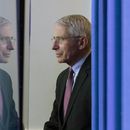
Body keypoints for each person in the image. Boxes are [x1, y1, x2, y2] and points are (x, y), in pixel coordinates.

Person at [44, 14, 91, 130]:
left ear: (82, 42)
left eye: (60, 40)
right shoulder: (63, 78)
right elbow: (55, 123)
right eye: (54, 39)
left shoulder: (101, 76)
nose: (53, 46)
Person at [0, 17, 19, 130]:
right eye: (3, 39)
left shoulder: (5, 79)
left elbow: (13, 123)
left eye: (12, 39)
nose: (11, 47)